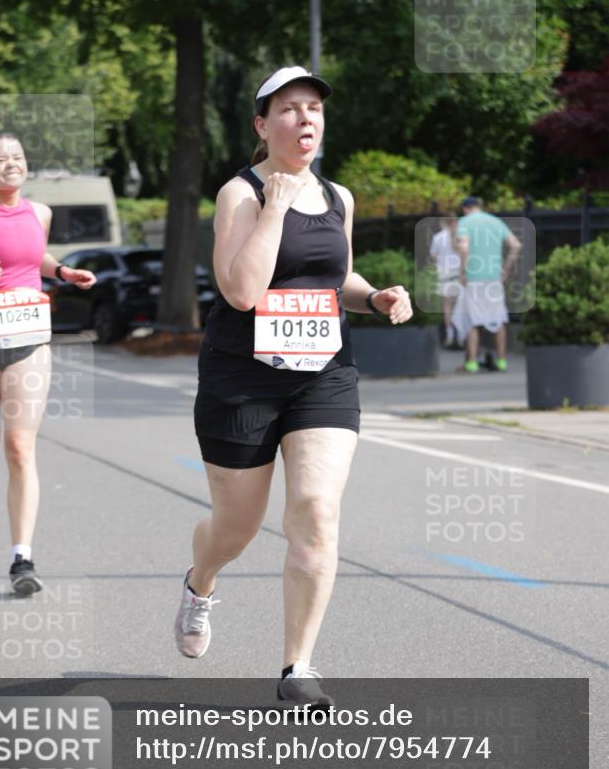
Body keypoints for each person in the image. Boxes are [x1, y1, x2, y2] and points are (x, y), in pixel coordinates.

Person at [174, 66, 413, 704]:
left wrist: (377, 295)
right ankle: (202, 581)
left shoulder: (339, 197)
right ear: (262, 125)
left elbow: (338, 278)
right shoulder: (241, 195)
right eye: (289, 109)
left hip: (323, 376)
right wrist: (275, 208)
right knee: (236, 528)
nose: (306, 119)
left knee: (316, 510)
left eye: (314, 109)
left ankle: (298, 668)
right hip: (241, 379)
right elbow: (243, 292)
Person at [0, 110, 96, 594]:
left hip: (29, 332)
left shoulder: (39, 212)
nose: (12, 165)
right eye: (1, 159)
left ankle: (22, 561)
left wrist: (62, 273)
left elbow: (31, 258)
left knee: (20, 448)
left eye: (18, 157)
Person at [451, 195, 522, 373]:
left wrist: (463, 271)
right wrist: (506, 268)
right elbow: (516, 245)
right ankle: (502, 361)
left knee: (473, 320)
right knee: (498, 319)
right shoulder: (495, 222)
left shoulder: (465, 222)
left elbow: (464, 247)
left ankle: (472, 363)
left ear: (465, 208)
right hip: (494, 277)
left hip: (474, 278)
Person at [429, 213, 462, 348]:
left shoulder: (438, 237)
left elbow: (433, 256)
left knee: (447, 305)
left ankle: (450, 333)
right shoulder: (461, 237)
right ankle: (460, 333)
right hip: (460, 273)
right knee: (460, 305)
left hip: (444, 273)